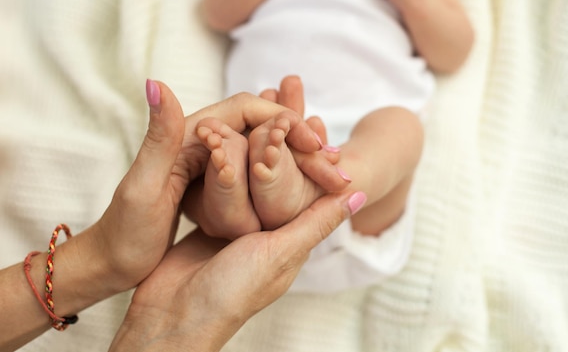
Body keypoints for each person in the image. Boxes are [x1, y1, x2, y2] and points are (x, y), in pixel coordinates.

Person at [0, 79, 367, 352]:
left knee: (396, 129)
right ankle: (282, 189)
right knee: (393, 132)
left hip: (311, 125)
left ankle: (274, 189)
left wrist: (102, 259)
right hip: (305, 135)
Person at [201, 0, 474, 290]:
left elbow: (454, 51)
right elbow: (217, 9)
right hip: (268, 152)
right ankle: (266, 194)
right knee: (228, 148)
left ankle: (326, 183)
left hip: (362, 189)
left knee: (400, 128)